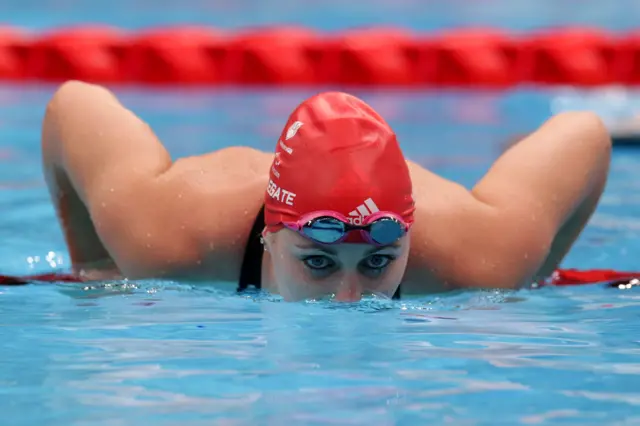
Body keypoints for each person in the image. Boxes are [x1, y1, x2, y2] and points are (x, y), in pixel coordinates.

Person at [41, 80, 611, 302]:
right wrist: (96, 265)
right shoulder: (162, 233)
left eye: (378, 263)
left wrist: (534, 281)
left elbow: (583, 133)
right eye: (318, 262)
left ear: (408, 240)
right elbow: (73, 105)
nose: (350, 299)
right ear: (271, 235)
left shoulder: (483, 254)